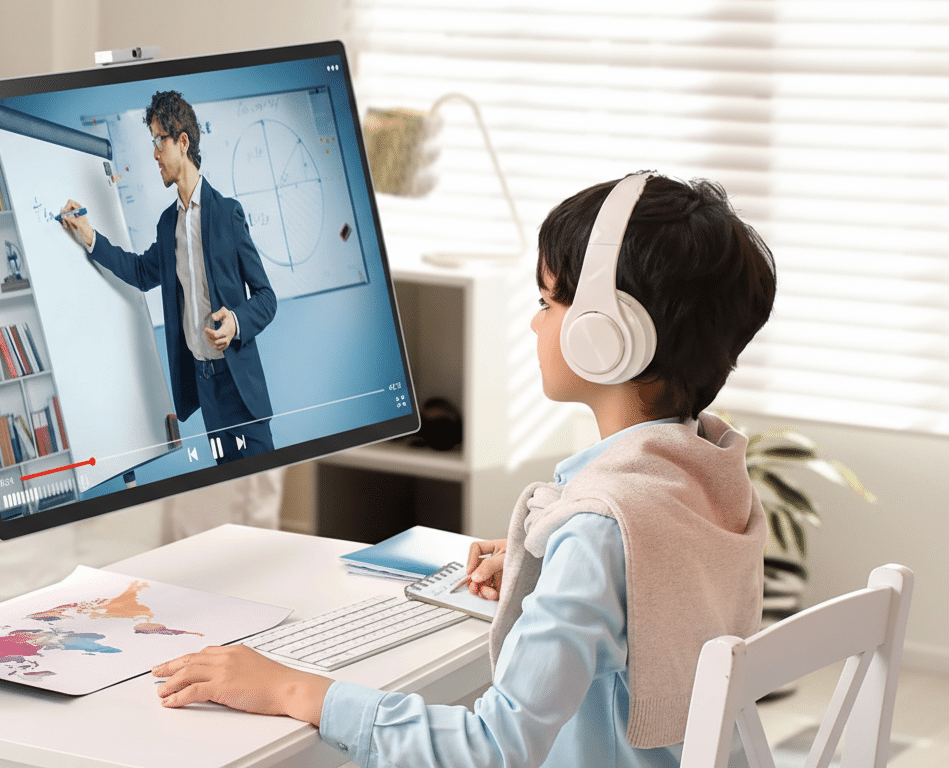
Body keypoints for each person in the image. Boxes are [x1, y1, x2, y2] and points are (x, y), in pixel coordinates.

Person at [149, 173, 778, 767]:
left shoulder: (602, 532)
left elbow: (492, 749)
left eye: (547, 301)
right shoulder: (708, 470)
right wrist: (563, 568)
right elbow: (653, 579)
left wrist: (296, 690)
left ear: (605, 335)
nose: (534, 322)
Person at [60, 91, 276, 464]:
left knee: (257, 492)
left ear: (182, 142)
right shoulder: (167, 225)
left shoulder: (228, 214)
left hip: (241, 386)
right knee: (227, 493)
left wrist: (236, 323)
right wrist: (89, 235)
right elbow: (142, 273)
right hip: (206, 387)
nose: (155, 153)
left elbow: (266, 297)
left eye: (159, 141)